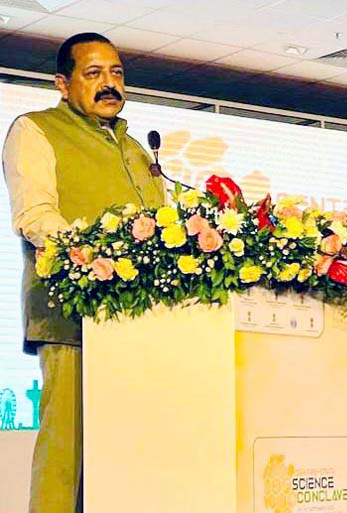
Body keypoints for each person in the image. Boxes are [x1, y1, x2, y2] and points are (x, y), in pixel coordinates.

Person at [2, 33, 165, 513]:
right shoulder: (34, 129)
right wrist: (98, 257)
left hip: (139, 322)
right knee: (66, 452)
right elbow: (35, 217)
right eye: (93, 74)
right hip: (70, 316)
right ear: (63, 83)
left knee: (127, 453)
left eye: (116, 73)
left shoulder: (136, 149)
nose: (108, 84)